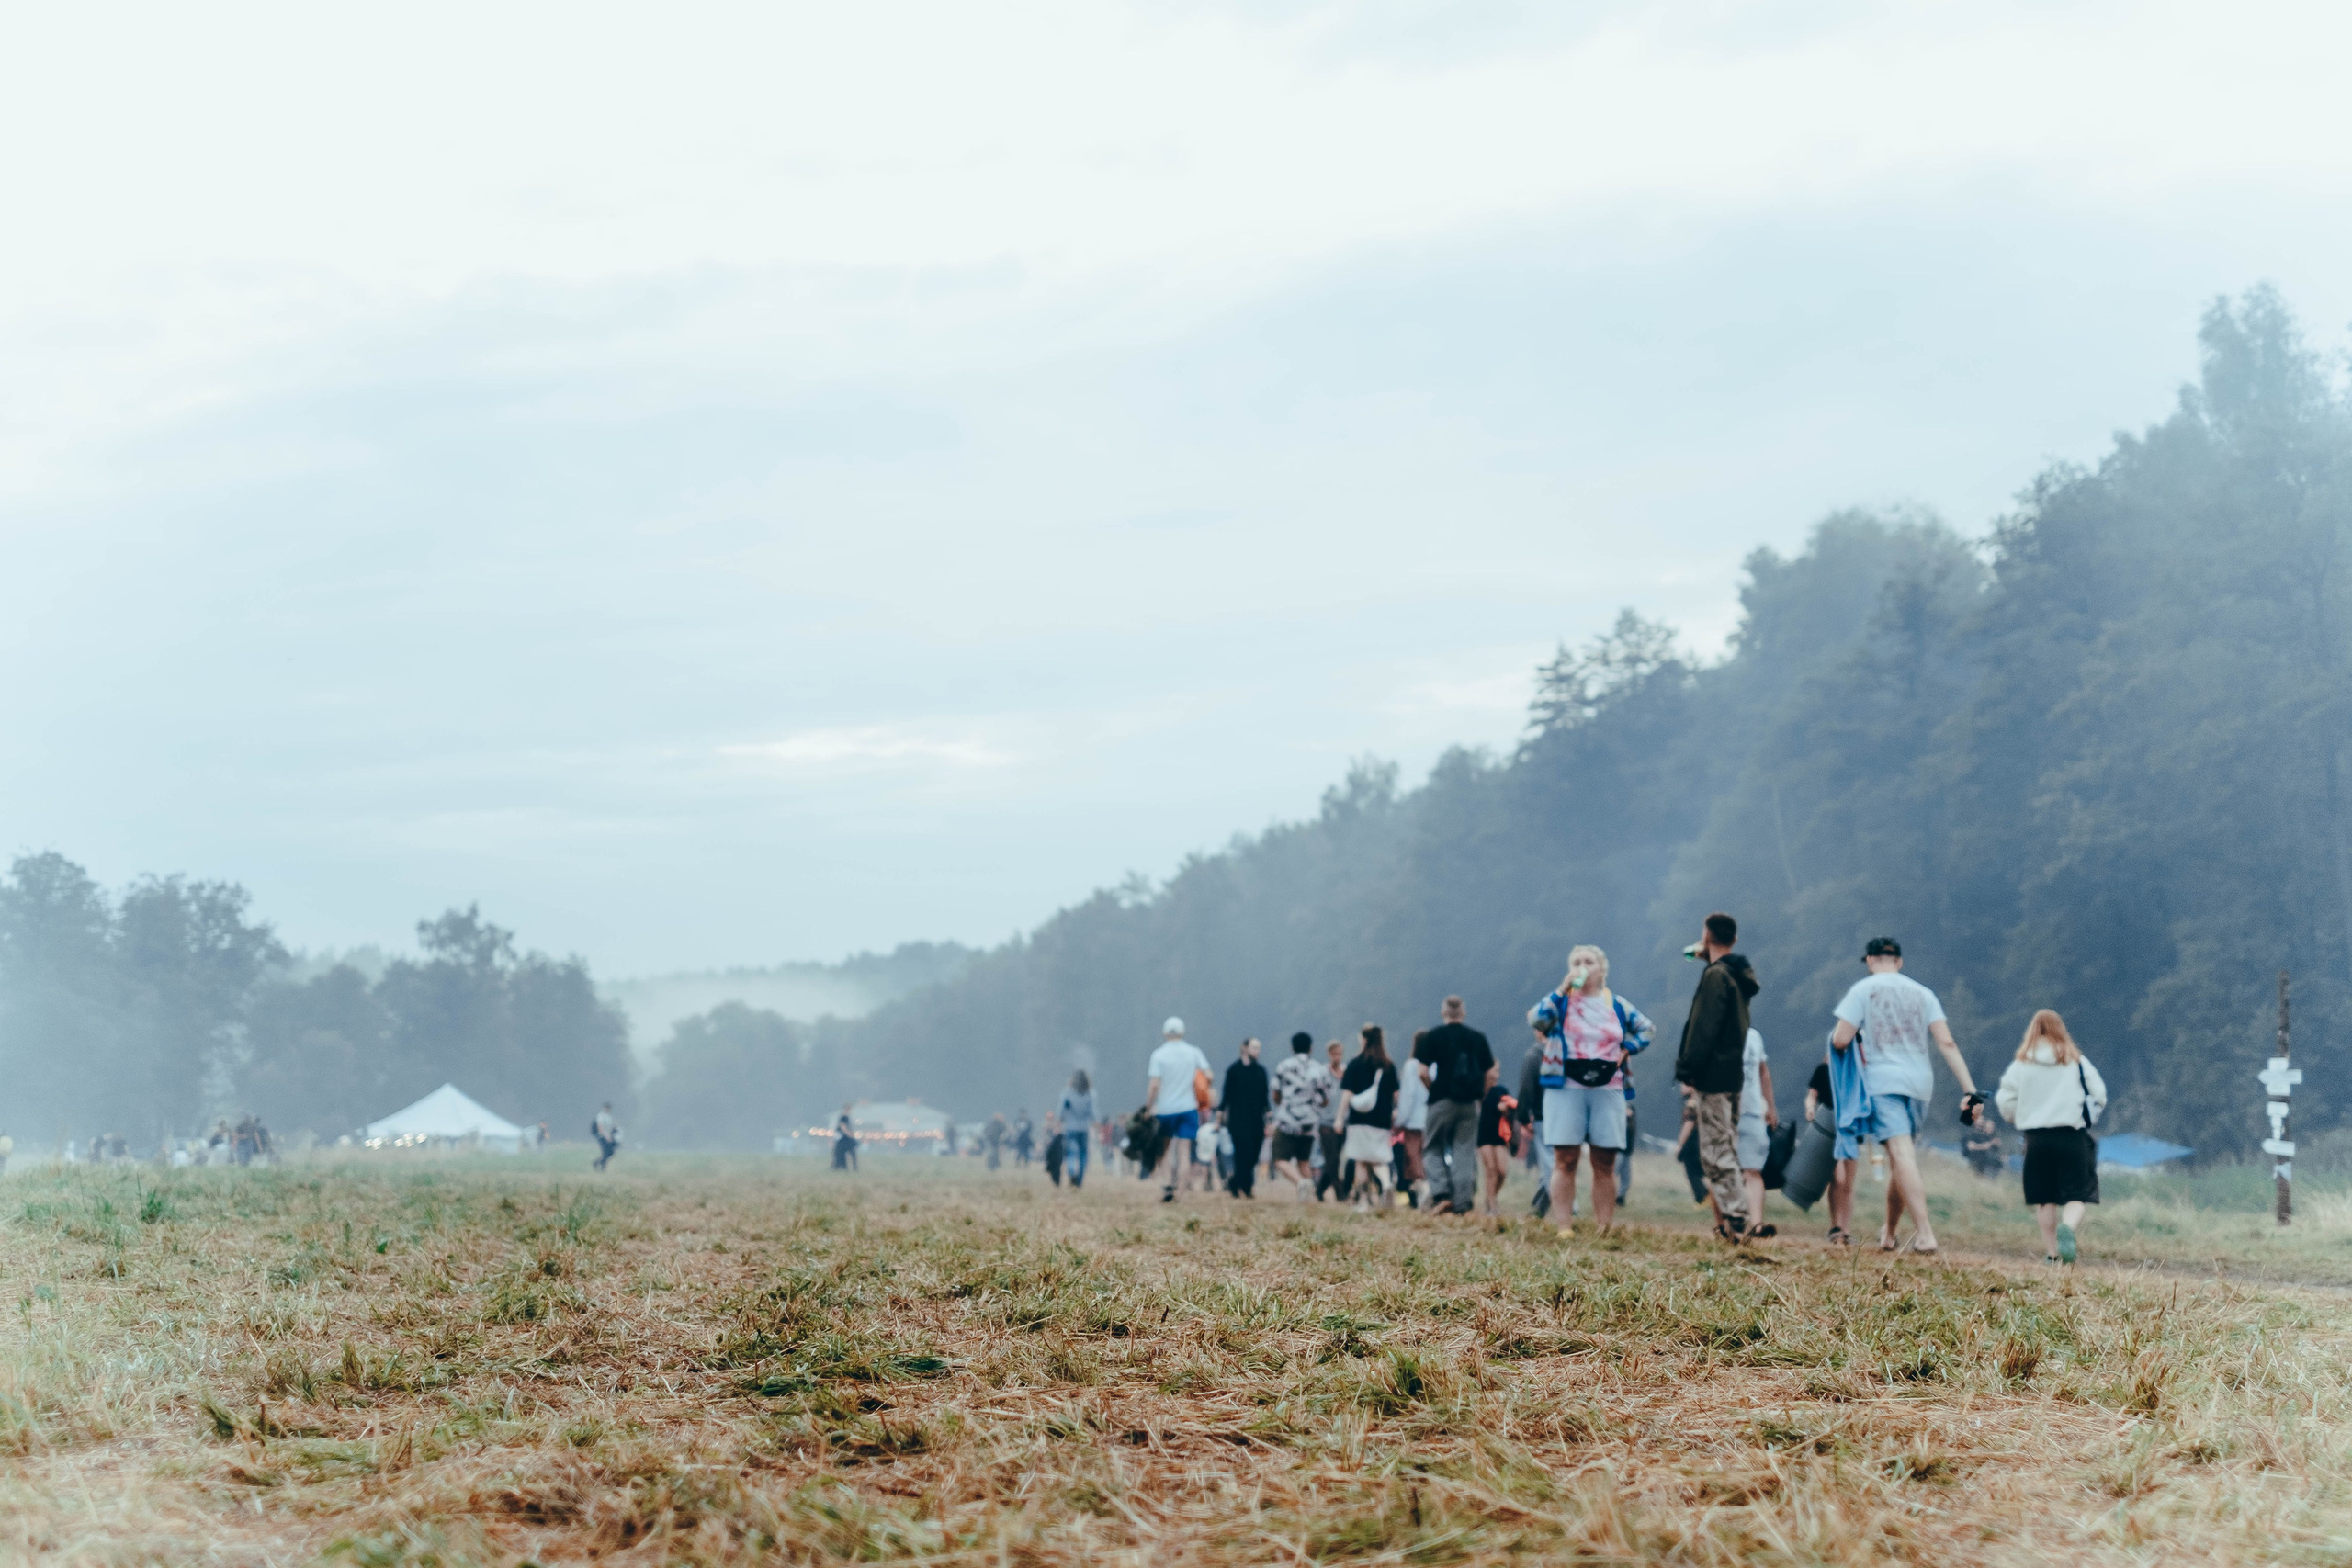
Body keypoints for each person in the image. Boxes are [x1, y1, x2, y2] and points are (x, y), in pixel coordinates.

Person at [1830, 936, 1984, 1255]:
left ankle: (1926, 1234)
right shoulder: (1923, 994)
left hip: (1882, 1082)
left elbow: (1840, 1039)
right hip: (1919, 1084)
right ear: (1899, 962)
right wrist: (1970, 1089)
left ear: (1870, 961)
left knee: (1901, 1155)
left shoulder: (1863, 990)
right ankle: (1889, 1231)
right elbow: (1947, 1043)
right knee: (1902, 1157)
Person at [1529, 944, 1655, 1236]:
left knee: (1605, 1159)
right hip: (1566, 1087)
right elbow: (1536, 1019)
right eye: (1576, 962)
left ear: (1602, 969)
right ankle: (1564, 1227)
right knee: (1565, 1158)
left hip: (1608, 1086)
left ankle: (1604, 1227)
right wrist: (1562, 988)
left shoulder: (1617, 1004)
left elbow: (1647, 1029)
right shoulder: (1562, 1002)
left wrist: (1628, 1048)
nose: (1582, 966)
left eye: (1589, 962)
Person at [1996, 1009, 2107, 1264]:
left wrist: (2018, 1116)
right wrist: (2089, 1115)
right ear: (2061, 1030)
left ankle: (2052, 1253)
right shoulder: (2076, 1060)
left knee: (2044, 1199)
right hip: (2072, 1137)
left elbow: (2005, 1100)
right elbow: (2099, 1093)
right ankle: (2067, 1227)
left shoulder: (2022, 1063)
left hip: (2036, 1139)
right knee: (2077, 1195)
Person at [1674, 913, 1759, 1242]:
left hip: (1712, 1074)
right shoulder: (1738, 975)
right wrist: (1707, 957)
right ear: (1734, 940)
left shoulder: (1716, 976)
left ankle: (1737, 1220)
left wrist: (1688, 1069)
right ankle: (1735, 1219)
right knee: (1727, 1145)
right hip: (1733, 1074)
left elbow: (1703, 1027)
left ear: (1705, 936)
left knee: (1714, 1151)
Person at [1412, 997, 1496, 1216]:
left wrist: (1433, 1091)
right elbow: (1490, 1073)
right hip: (1469, 1103)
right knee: (1464, 1151)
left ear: (1443, 1012)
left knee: (1432, 1147)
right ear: (1464, 1013)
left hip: (1441, 1099)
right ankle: (1462, 1202)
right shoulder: (1477, 1038)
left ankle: (1442, 1194)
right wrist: (1481, 1096)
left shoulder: (1433, 1036)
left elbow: (1421, 1071)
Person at [1144, 1017, 1214, 1203]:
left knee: (1163, 1152)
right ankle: (1180, 1193)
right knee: (1183, 1152)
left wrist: (1148, 1107)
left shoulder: (1158, 1054)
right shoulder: (1193, 1052)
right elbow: (1209, 1075)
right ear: (1183, 1032)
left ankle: (1167, 1185)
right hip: (1188, 1108)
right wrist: (1201, 1091)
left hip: (1165, 1109)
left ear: (1165, 1033)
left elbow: (1154, 1084)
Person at [1338, 1025, 1400, 1211]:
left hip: (1359, 1120)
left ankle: (1363, 1201)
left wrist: (1339, 1118)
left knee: (1361, 1160)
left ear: (1363, 1039)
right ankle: (1386, 1183)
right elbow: (1396, 1095)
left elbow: (1347, 1094)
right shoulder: (1388, 1065)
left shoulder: (1355, 1063)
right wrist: (1395, 1113)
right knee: (1379, 1159)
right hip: (1382, 1120)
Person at [1268, 1032, 1331, 1198]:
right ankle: (1311, 1194)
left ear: (1292, 1048)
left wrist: (1285, 1103)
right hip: (1310, 1122)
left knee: (1280, 1159)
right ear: (1311, 1048)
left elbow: (1275, 1093)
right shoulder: (1319, 1068)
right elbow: (1325, 1099)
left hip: (1287, 1121)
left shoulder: (1283, 1066)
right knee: (1304, 1160)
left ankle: (1301, 1183)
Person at [1736, 1027, 1781, 1240]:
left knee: (1753, 1170)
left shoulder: (1754, 1036)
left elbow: (1763, 1072)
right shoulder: (1716, 1030)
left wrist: (1770, 1106)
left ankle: (1756, 1225)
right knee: (1723, 1171)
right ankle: (1726, 1226)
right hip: (1725, 1111)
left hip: (1752, 1111)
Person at [1220, 1037, 1271, 1198]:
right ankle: (1246, 1188)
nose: (1257, 1051)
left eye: (1259, 1048)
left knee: (1254, 1154)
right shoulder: (1234, 1070)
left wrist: (1268, 1118)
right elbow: (1226, 1096)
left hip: (1256, 1120)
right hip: (1237, 1120)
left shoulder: (1261, 1071)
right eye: (1254, 1047)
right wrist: (1220, 1116)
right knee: (1243, 1152)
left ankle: (1235, 1182)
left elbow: (1265, 1098)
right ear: (1245, 1048)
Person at [1315, 1039, 1353, 1202]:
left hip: (1343, 1121)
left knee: (1337, 1157)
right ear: (1329, 1054)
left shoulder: (1346, 1072)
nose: (1338, 1057)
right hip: (1326, 1122)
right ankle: (1340, 1193)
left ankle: (1320, 1189)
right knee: (1332, 1159)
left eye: (1340, 1054)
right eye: (1335, 1054)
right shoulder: (1322, 1072)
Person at [1396, 1033, 1430, 1206]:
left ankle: (1423, 1188)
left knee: (1413, 1156)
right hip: (1430, 1119)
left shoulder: (1411, 1065)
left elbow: (1407, 1096)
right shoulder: (1435, 1065)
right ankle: (1426, 1188)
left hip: (1413, 1120)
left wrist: (1400, 1121)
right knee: (1427, 1156)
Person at [1476, 1077, 1517, 1219]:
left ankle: (1491, 1196)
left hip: (1498, 1135)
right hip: (1483, 1135)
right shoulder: (1478, 1090)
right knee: (1491, 1169)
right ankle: (1491, 1203)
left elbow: (1510, 1107)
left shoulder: (1500, 1090)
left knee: (1502, 1171)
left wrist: (1506, 1109)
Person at [1057, 1070, 1094, 1190]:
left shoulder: (1067, 1093)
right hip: (1084, 1128)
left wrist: (1058, 1123)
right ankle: (1080, 1179)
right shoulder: (1090, 1094)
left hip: (1070, 1127)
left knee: (1071, 1152)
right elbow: (1092, 1113)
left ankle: (1072, 1171)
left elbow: (1061, 1110)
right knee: (1083, 1154)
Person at [592, 1103, 621, 1171]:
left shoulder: (609, 1117)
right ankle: (602, 1168)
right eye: (606, 1108)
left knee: (611, 1152)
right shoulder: (600, 1116)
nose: (607, 1109)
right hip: (602, 1137)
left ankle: (597, 1162)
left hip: (609, 1137)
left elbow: (610, 1127)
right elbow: (600, 1128)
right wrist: (607, 1137)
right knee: (605, 1153)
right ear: (604, 1108)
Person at [832, 1106, 859, 1170]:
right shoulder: (844, 1117)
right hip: (845, 1139)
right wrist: (850, 1134)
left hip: (843, 1139)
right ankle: (853, 1167)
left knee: (842, 1153)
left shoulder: (845, 1117)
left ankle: (843, 1167)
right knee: (852, 1152)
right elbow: (843, 1127)